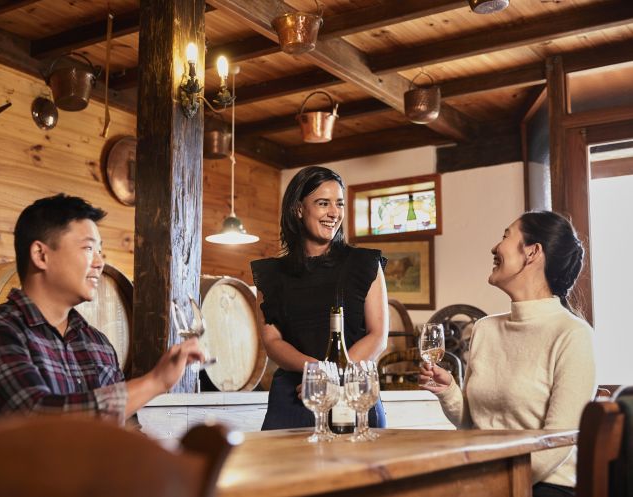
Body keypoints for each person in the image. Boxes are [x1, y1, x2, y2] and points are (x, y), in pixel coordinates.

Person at [0, 194, 204, 424]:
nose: (100, 263)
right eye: (88, 248)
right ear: (41, 255)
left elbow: (125, 429)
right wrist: (155, 381)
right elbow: (37, 421)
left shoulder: (97, 343)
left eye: (100, 251)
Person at [419, 210, 595, 497]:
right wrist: (449, 390)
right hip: (485, 478)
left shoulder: (573, 334)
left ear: (532, 252)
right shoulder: (485, 329)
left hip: (545, 486)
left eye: (505, 236)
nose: (494, 247)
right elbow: (473, 424)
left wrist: (489, 485)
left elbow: (559, 442)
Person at [251, 166, 389, 430]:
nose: (334, 213)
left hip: (352, 395)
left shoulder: (366, 263)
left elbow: (378, 336)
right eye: (323, 203)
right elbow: (272, 341)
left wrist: (333, 375)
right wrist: (317, 372)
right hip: (294, 398)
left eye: (339, 204)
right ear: (298, 209)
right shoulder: (271, 275)